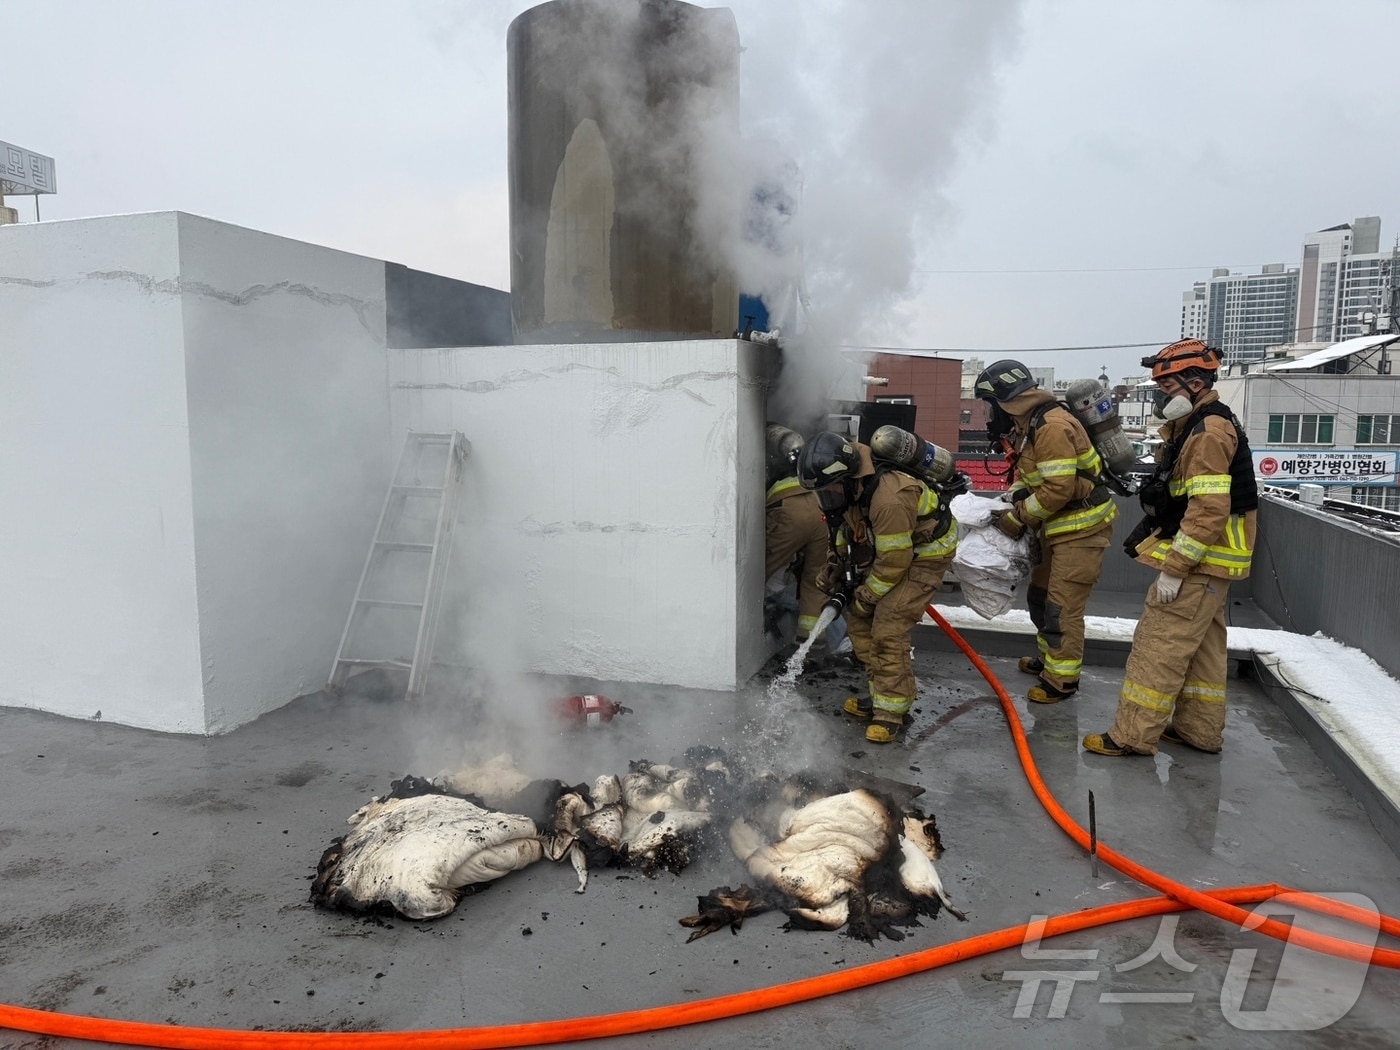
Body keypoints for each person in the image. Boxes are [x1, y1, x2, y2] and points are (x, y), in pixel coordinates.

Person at [1083, 339, 1258, 757]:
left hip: (1199, 565)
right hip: (1212, 566)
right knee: (1203, 655)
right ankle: (1198, 731)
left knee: (1158, 647)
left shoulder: (1208, 432)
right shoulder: (1196, 425)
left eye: (1167, 389)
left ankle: (1130, 736)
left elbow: (1209, 508)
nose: (1161, 397)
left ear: (1195, 385)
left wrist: (1175, 568)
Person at [795, 432, 957, 743]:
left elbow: (895, 561)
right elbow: (844, 529)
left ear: (849, 478)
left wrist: (866, 597)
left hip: (926, 552)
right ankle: (883, 696)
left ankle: (891, 714)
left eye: (829, 491)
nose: (826, 498)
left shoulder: (889, 497)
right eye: (821, 494)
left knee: (888, 624)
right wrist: (835, 567)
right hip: (891, 549)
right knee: (858, 623)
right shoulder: (848, 490)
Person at [975, 359, 1118, 703]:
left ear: (1005, 400)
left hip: (1081, 530)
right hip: (1057, 528)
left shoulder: (1051, 426)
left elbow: (1058, 490)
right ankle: (1048, 660)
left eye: (989, 404)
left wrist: (1018, 518)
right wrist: (1012, 497)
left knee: (1062, 608)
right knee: (1040, 598)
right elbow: (1034, 475)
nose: (989, 413)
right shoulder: (1030, 424)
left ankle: (1061, 681)